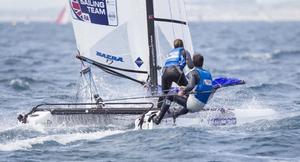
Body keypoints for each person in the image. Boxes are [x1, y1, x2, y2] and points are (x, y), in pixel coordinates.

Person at [153, 53, 214, 124]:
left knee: (170, 96)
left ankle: (158, 119)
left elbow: (191, 86)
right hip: (202, 105)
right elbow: (202, 87)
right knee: (189, 97)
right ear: (202, 63)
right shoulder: (208, 73)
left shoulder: (193, 73)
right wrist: (185, 88)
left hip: (193, 105)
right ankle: (176, 114)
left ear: (193, 62)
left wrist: (183, 91)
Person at [157, 39, 194, 108]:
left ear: (174, 46)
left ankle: (158, 108)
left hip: (165, 73)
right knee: (188, 89)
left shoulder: (170, 53)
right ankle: (190, 106)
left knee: (164, 93)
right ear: (182, 45)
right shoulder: (184, 51)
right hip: (176, 72)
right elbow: (191, 66)